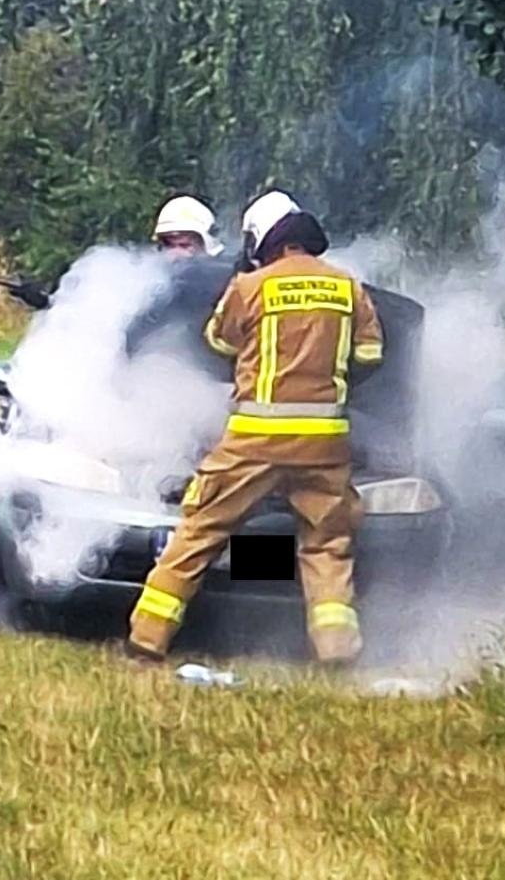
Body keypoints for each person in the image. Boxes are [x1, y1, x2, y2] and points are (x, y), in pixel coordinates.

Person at [128, 189, 384, 667]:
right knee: (327, 544)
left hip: (254, 439)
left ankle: (146, 640)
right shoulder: (348, 286)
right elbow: (370, 355)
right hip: (324, 443)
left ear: (260, 240)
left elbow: (217, 342)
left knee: (200, 531)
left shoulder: (250, 287)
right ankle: (336, 650)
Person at [125, 195, 234, 365]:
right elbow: (134, 339)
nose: (175, 255)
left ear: (207, 243)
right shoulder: (159, 290)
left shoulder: (234, 283)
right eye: (169, 245)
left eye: (184, 245)